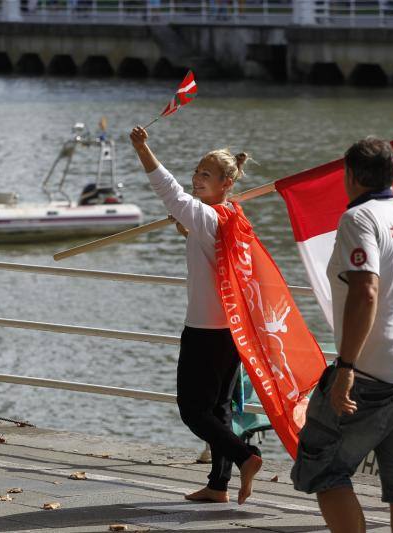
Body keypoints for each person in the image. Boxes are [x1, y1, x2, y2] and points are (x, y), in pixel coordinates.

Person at [291, 137, 393, 533]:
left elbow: (366, 290)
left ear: (351, 176)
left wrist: (345, 367)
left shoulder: (358, 219)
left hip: (373, 375)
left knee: (324, 468)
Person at [129, 125, 263, 505]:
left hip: (205, 329)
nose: (196, 179)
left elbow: (166, 188)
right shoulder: (232, 217)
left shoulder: (207, 216)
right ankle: (218, 486)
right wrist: (188, 231)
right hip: (231, 329)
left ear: (227, 181)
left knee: (193, 410)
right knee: (217, 410)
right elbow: (215, 254)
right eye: (197, 172)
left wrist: (142, 148)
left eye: (206, 175)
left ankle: (245, 457)